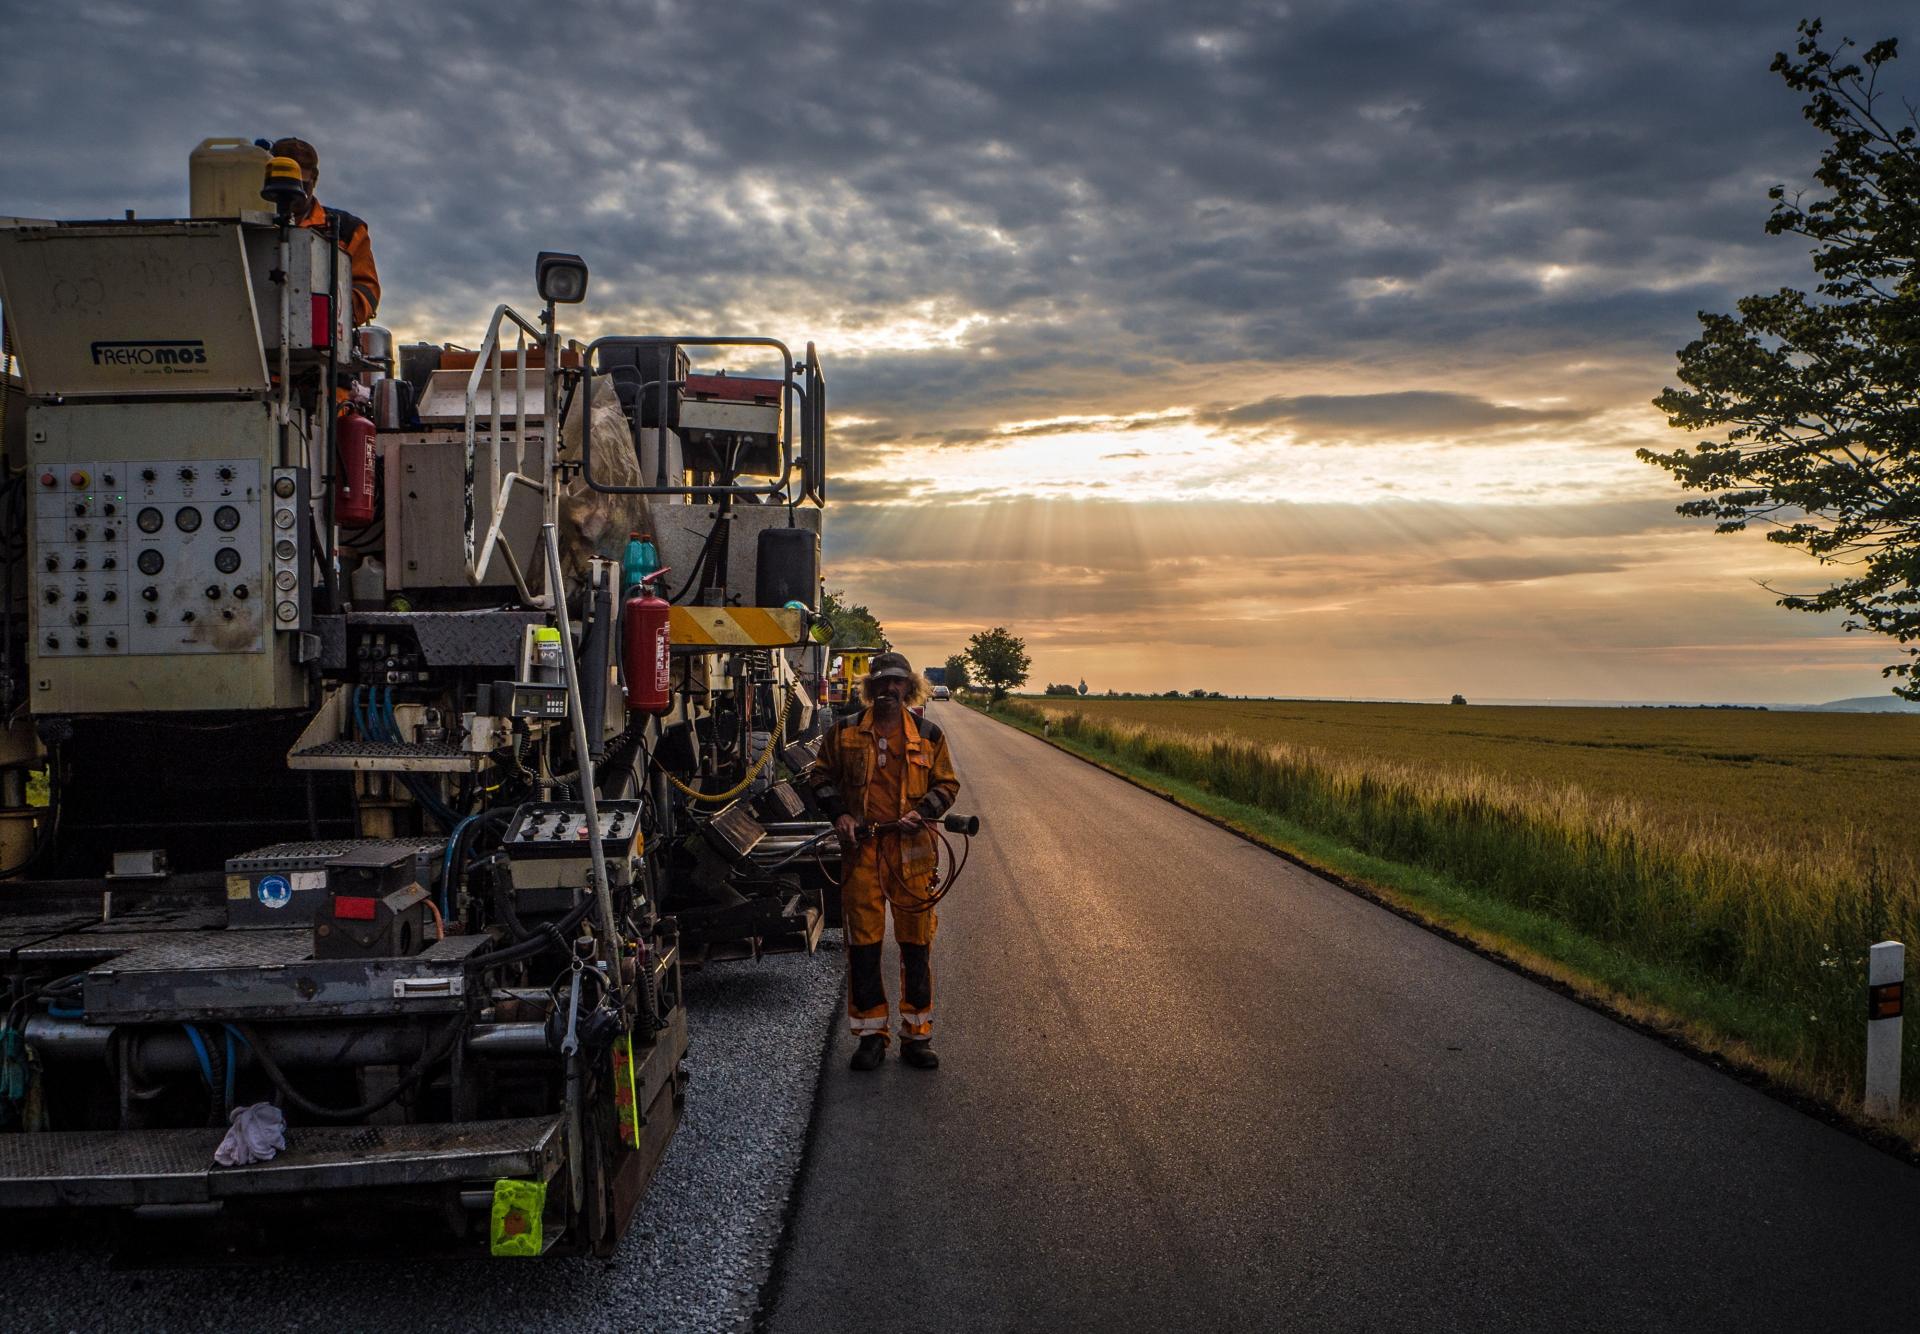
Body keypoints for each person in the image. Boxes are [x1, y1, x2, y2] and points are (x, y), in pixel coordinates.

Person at [809, 652, 960, 1071]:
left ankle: (917, 1036)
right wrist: (838, 812)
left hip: (912, 854)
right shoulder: (842, 734)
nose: (889, 690)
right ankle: (871, 1036)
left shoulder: (929, 736)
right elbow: (818, 777)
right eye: (881, 683)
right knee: (864, 947)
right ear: (870, 689)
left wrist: (926, 809)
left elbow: (948, 784)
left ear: (908, 688)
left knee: (916, 944)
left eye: (897, 683)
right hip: (862, 853)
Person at [269, 137, 380, 326]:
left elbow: (367, 289)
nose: (292, 195)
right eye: (285, 185)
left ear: (315, 179)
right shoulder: (247, 223)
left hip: (322, 342)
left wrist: (331, 315)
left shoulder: (348, 229)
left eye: (301, 186)